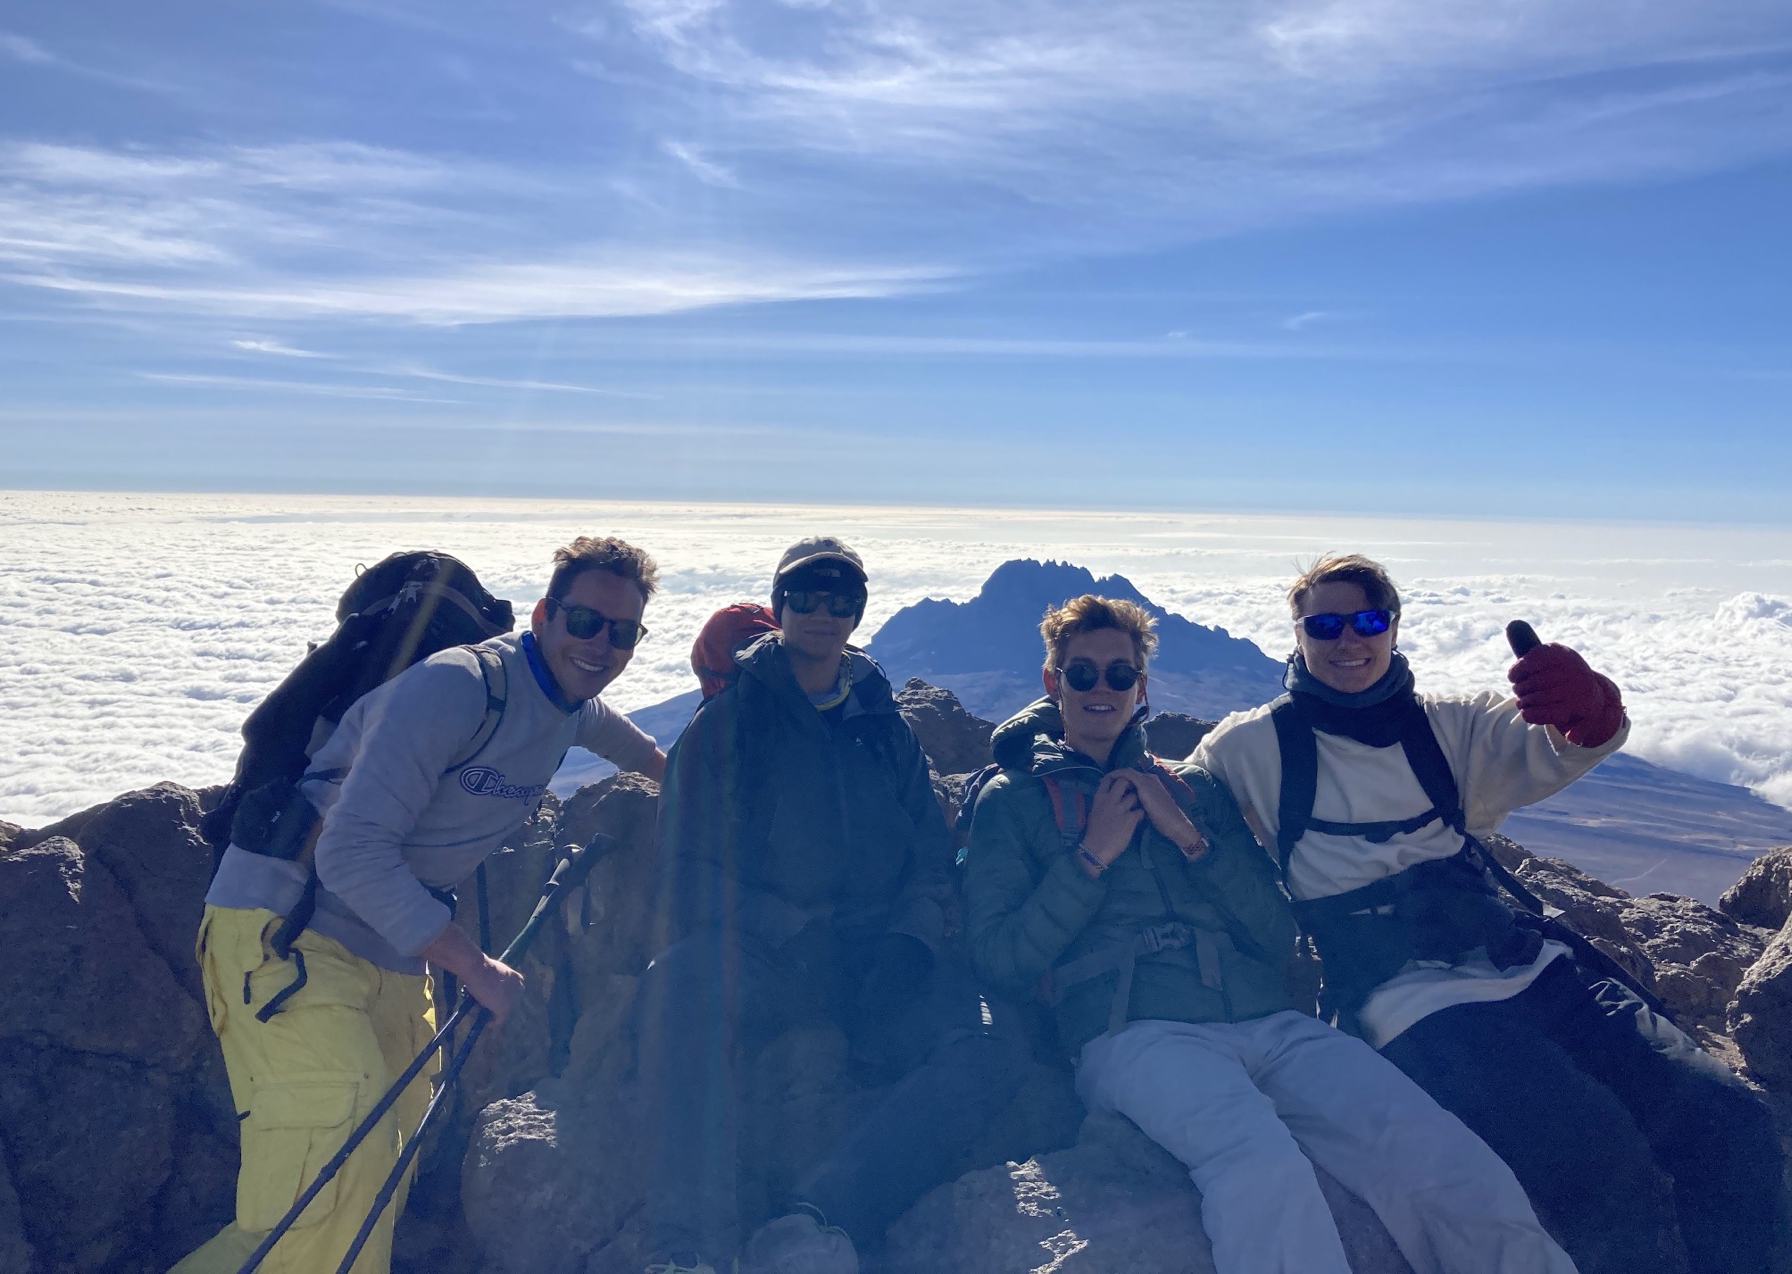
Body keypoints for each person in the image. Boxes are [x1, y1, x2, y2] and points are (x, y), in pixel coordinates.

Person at [1192, 553, 1787, 1274]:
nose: (1348, 640)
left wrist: (1590, 706)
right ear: (1297, 634)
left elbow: (1557, 740)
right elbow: (1182, 819)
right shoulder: (1249, 748)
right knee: (1594, 1161)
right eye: (1325, 624)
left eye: (1367, 620)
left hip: (1525, 960)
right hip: (1409, 1001)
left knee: (1731, 1123)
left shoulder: (1448, 726)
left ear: (1394, 627)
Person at [962, 593, 1578, 1274]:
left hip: (1268, 1021)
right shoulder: (1012, 800)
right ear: (1053, 683)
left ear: (1142, 686)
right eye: (1082, 675)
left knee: (1444, 1158)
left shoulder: (1192, 788)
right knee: (1262, 1170)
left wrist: (1191, 841)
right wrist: (1090, 860)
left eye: (1119, 674)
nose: (1100, 689)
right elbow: (1000, 960)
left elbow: (1273, 932)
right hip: (1132, 1031)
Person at [174, 536, 666, 1274]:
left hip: (386, 952)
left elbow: (636, 749)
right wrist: (476, 968)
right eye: (586, 622)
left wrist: (705, 792)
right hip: (285, 932)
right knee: (324, 1185)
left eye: (623, 631)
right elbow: (349, 853)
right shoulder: (458, 688)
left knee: (380, 1172)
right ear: (543, 615)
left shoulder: (567, 703)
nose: (602, 644)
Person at [640, 537, 1023, 1274]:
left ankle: (817, 1220)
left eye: (840, 597)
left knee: (988, 1044)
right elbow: (685, 870)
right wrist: (784, 930)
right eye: (805, 595)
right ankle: (681, 1248)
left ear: (857, 612)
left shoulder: (886, 727)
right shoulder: (727, 726)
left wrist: (910, 940)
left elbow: (932, 856)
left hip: (879, 958)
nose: (822, 611)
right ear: (779, 606)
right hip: (771, 959)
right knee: (681, 986)